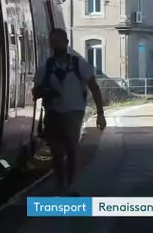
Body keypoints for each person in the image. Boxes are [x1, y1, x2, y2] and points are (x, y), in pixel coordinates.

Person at [32, 28, 106, 196]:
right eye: (53, 43)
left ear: (66, 43)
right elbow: (35, 92)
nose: (56, 45)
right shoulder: (46, 67)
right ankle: (61, 183)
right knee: (57, 151)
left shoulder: (80, 64)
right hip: (53, 112)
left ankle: (70, 183)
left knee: (71, 148)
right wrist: (45, 92)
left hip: (74, 112)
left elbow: (94, 87)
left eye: (59, 42)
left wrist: (100, 114)